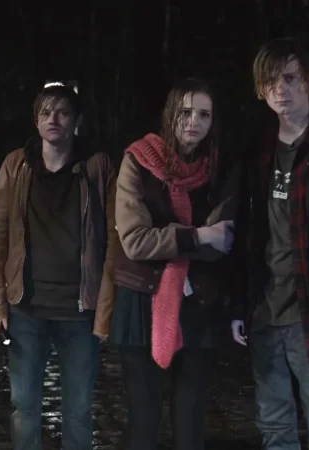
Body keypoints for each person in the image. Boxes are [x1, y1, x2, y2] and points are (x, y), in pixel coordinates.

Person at [0, 82, 117, 450]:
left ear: (76, 121)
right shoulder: (17, 165)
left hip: (80, 311)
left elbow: (113, 241)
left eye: (62, 112)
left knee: (79, 409)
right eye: (45, 112)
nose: (53, 119)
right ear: (35, 120)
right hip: (26, 309)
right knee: (24, 406)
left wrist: (105, 310)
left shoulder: (97, 166)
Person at [108, 78, 240, 450]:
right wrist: (198, 236)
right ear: (170, 114)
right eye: (185, 112)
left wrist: (172, 239)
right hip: (142, 301)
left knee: (190, 423)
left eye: (204, 114)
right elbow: (135, 241)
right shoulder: (138, 160)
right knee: (143, 424)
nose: (194, 122)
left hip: (199, 301)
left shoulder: (220, 168)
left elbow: (224, 241)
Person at [231, 37, 309, 449]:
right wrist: (242, 304)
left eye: (289, 78)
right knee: (274, 426)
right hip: (266, 311)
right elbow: (248, 235)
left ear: (308, 80)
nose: (280, 89)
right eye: (270, 81)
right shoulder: (257, 153)